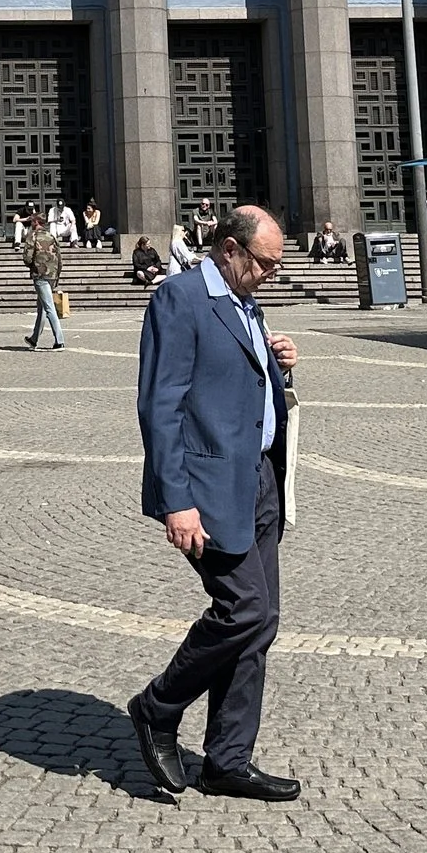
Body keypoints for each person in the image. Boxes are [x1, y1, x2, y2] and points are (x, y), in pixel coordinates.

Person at [128, 205, 300, 802]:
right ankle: (156, 707)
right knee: (244, 608)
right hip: (206, 489)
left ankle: (228, 759)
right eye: (265, 265)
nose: (271, 276)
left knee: (262, 620)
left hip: (257, 481)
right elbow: (160, 405)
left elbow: (238, 383)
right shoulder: (179, 299)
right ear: (229, 248)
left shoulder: (245, 300)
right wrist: (177, 502)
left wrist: (276, 366)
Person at [23, 207, 66, 350]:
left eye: (32, 221)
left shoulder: (32, 236)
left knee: (49, 308)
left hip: (40, 275)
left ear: (36, 222)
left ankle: (59, 341)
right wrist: (57, 274)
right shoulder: (51, 236)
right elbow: (59, 257)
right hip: (52, 275)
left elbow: (27, 258)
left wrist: (33, 266)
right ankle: (34, 339)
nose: (31, 223)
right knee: (42, 307)